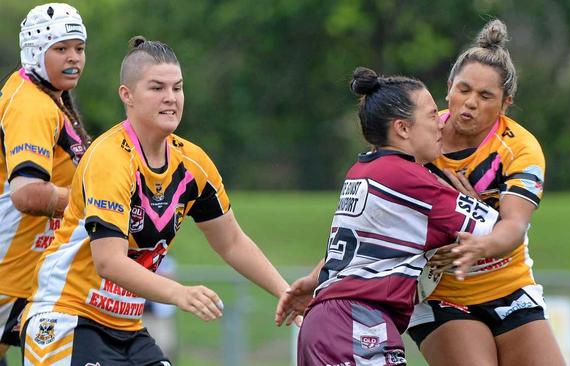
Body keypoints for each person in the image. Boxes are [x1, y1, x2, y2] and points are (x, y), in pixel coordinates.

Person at [21, 36, 290, 365]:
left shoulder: (192, 164)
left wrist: (285, 292)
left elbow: (231, 241)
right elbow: (109, 262)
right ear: (127, 95)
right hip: (68, 319)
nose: (171, 99)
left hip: (127, 328)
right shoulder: (110, 158)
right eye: (157, 88)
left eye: (177, 88)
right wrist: (180, 293)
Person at [275, 67, 502, 366]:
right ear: (403, 128)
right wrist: (475, 202)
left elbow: (364, 247)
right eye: (433, 115)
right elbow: (496, 232)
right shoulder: (411, 179)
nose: (442, 126)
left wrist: (313, 281)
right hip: (358, 323)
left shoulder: (362, 171)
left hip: (329, 321)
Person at [406, 19, 566, 366]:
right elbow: (375, 216)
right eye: (463, 89)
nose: (470, 102)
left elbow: (513, 226)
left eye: (485, 96)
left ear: (505, 103)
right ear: (448, 88)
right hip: (441, 293)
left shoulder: (520, 148)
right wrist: (318, 278)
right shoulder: (418, 141)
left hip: (509, 286)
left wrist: (482, 239)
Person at [0, 3, 90, 359]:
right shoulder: (32, 106)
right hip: (9, 277)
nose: (74, 58)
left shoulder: (50, 98)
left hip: (30, 277)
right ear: (35, 52)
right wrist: (98, 202)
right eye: (61, 49)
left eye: (79, 48)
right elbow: (28, 194)